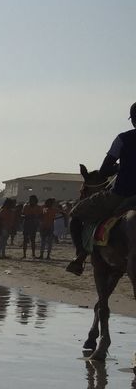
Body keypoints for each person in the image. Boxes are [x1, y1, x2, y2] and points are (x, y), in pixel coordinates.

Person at [67, 101, 136, 274]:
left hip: (122, 194)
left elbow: (105, 170)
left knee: (75, 214)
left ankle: (80, 256)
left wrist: (120, 168)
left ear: (133, 120)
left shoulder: (122, 138)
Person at [21, 194, 43, 258]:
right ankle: (24, 254)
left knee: (32, 240)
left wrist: (36, 217)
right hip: (26, 224)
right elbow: (22, 215)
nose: (31, 201)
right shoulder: (26, 206)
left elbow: (41, 216)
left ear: (35, 200)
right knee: (25, 240)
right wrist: (27, 216)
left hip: (33, 225)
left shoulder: (38, 207)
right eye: (30, 200)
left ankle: (33, 254)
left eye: (32, 200)